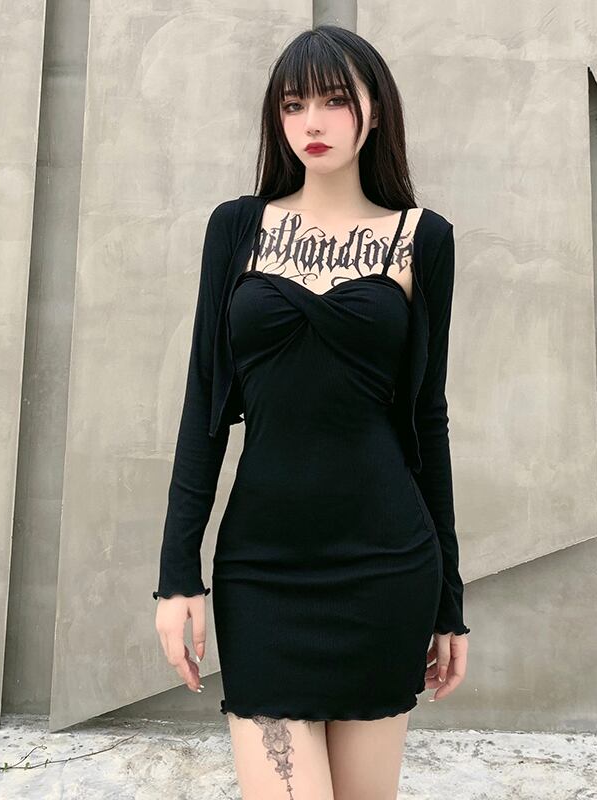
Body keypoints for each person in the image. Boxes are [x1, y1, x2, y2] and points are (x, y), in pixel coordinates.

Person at [153, 24, 470, 800]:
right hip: (263, 571)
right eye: (294, 104)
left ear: (375, 110)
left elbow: (427, 421)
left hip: (386, 568)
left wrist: (450, 604)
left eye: (334, 100)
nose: (313, 122)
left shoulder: (421, 239)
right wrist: (176, 576)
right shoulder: (237, 229)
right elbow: (203, 405)